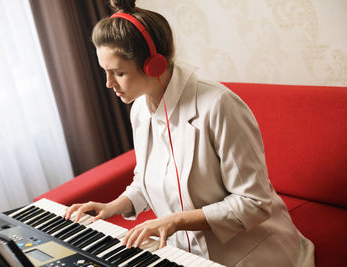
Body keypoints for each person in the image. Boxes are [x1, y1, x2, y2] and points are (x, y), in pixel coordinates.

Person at [64, 0, 315, 266]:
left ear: (154, 65)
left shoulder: (219, 105)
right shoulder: (140, 107)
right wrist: (114, 206)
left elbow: (254, 203)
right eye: (105, 72)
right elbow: (148, 179)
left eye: (118, 73)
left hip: (249, 254)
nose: (108, 84)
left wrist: (176, 221)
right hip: (182, 253)